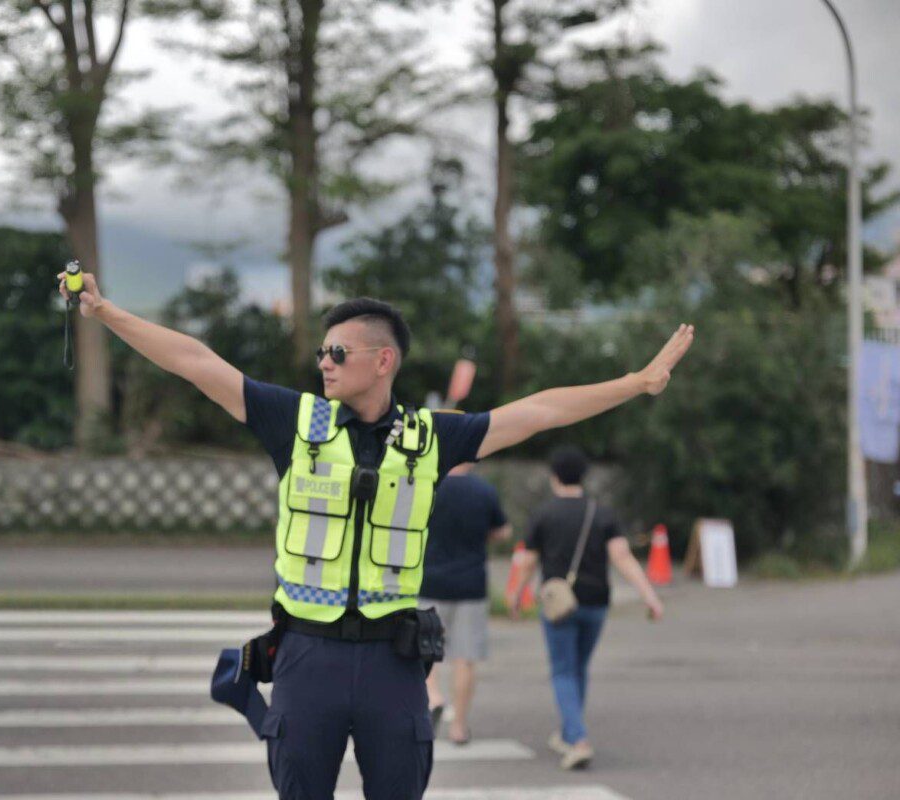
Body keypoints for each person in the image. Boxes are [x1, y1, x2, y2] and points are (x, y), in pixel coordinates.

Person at [59, 267, 693, 800]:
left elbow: (540, 411)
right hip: (306, 658)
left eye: (338, 353)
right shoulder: (295, 422)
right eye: (321, 353)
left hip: (395, 664)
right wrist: (110, 312)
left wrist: (637, 383)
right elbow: (197, 363)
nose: (324, 364)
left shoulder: (431, 437)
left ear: (382, 360)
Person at [507, 445, 665, 772]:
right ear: (583, 476)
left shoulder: (544, 514)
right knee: (578, 667)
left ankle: (578, 739)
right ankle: (568, 731)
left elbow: (528, 562)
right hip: (596, 603)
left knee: (563, 670)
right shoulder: (602, 513)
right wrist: (649, 595)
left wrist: (515, 595)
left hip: (557, 603)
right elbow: (622, 557)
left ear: (553, 477)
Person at [419, 462, 511, 746]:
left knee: (424, 650)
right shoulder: (483, 490)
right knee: (465, 658)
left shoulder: (427, 486)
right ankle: (459, 726)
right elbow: (502, 531)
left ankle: (433, 695)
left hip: (430, 581)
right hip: (471, 583)